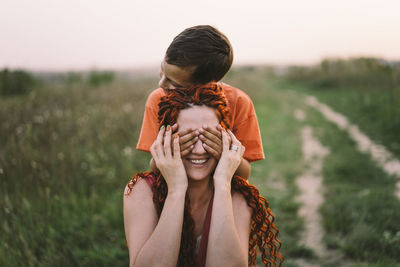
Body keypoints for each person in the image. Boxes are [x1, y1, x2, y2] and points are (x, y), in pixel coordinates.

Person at [124, 84, 282, 267]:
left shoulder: (237, 196)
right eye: (188, 138)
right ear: (165, 141)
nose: (199, 151)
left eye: (208, 137)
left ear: (225, 139)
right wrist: (176, 190)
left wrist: (223, 183)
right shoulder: (141, 191)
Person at [136, 25, 264, 180]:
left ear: (206, 85)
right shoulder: (158, 99)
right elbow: (155, 166)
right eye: (162, 71)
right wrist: (171, 151)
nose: (162, 84)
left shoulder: (239, 102)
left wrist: (225, 152)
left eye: (173, 83)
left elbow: (245, 174)